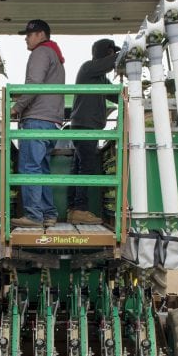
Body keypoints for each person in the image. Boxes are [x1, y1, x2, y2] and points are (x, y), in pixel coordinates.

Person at [10, 19, 65, 228]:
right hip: (51, 122)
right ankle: (49, 214)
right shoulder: (56, 56)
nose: (26, 37)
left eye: (29, 34)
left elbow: (33, 84)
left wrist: (16, 107)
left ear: (40, 35)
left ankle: (33, 215)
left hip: (37, 120)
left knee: (30, 167)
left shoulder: (40, 53)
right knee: (41, 169)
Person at [67, 38, 120, 225]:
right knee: (86, 168)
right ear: (103, 54)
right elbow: (110, 62)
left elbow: (117, 96)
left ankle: (73, 209)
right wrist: (124, 57)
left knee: (78, 168)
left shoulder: (100, 79)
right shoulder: (88, 68)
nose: (112, 58)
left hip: (85, 126)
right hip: (84, 127)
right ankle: (80, 209)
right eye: (110, 53)